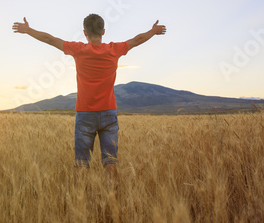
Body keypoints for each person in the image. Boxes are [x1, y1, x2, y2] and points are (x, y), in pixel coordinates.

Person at [12, 14, 166, 185]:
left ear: (84, 32)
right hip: (108, 113)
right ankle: (113, 201)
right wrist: (153, 31)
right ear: (103, 31)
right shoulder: (115, 49)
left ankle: (80, 201)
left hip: (85, 115)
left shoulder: (78, 49)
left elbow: (49, 39)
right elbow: (137, 40)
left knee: (82, 163)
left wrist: (27, 30)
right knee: (110, 161)